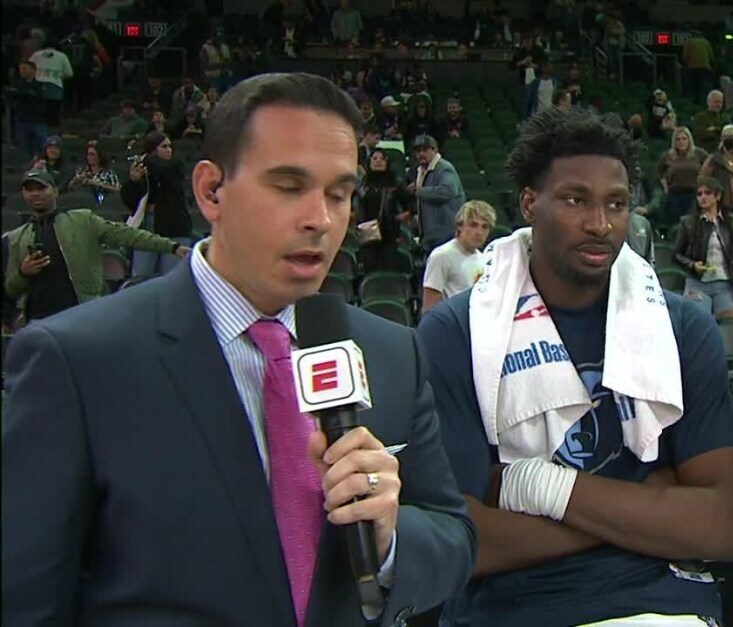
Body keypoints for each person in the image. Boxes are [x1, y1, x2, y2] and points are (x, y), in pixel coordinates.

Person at [2, 72, 476, 626]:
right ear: (211, 191)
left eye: (339, 194)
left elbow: (453, 539)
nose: (321, 219)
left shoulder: (391, 352)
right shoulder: (79, 360)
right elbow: (26, 598)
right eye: (289, 186)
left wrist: (391, 536)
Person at [418, 106, 733, 625]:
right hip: (509, 610)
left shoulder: (682, 326)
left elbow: (725, 526)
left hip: (661, 605)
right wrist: (649, 506)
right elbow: (463, 541)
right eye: (576, 200)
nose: (600, 224)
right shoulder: (457, 331)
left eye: (617, 204)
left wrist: (536, 487)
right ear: (530, 203)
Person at [4, 168, 188, 323]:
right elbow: (10, 289)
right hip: (37, 319)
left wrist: (172, 247)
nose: (35, 194)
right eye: (29, 190)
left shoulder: (83, 220)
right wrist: (23, 272)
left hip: (80, 313)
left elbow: (129, 235)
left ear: (55, 191)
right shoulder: (16, 238)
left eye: (41, 188)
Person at [673, 177, 733, 319]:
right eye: (699, 194)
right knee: (698, 321)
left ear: (718, 196)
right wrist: (692, 265)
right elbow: (676, 254)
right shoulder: (687, 222)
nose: (703, 197)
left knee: (729, 322)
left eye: (707, 193)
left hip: (724, 282)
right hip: (697, 282)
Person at [121, 132, 194, 276]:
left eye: (170, 146)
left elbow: (165, 172)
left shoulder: (176, 165)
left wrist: (147, 158)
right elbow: (130, 201)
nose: (169, 150)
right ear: (154, 149)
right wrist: (134, 181)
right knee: (141, 275)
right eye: (164, 147)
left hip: (174, 227)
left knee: (172, 276)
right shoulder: (145, 170)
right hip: (148, 226)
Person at [421, 200, 495, 313]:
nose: (479, 232)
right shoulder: (442, 256)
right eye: (473, 225)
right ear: (460, 226)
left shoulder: (484, 259)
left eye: (485, 227)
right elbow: (429, 307)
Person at [408, 134, 465, 256]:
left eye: (425, 150)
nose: (421, 154)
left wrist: (418, 191)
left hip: (446, 234)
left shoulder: (444, 168)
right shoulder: (421, 170)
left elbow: (447, 191)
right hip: (431, 234)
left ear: (435, 150)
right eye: (418, 151)